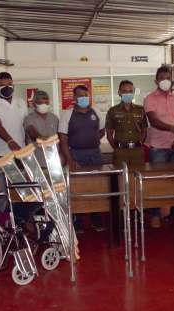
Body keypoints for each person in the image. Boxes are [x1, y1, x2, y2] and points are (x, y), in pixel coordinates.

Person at [144, 65, 174, 228]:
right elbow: (154, 121)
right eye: (162, 78)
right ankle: (155, 215)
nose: (165, 81)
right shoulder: (150, 99)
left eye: (168, 78)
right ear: (156, 80)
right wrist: (173, 129)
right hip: (158, 147)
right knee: (157, 182)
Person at [59, 85, 105, 232]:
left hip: (95, 154)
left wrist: (93, 139)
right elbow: (63, 140)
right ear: (74, 98)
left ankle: (97, 220)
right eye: (81, 95)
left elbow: (102, 130)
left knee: (97, 186)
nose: (84, 98)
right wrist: (70, 160)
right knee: (77, 189)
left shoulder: (96, 111)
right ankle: (77, 222)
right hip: (76, 154)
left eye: (86, 95)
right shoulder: (67, 114)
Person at [106, 80, 147, 166]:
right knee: (121, 177)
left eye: (130, 91)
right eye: (124, 91)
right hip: (120, 152)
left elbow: (144, 130)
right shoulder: (113, 111)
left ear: (133, 92)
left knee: (137, 176)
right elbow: (109, 134)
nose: (128, 94)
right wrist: (117, 148)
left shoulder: (140, 110)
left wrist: (140, 143)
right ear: (119, 93)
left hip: (137, 152)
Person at [0, 72, 28, 157]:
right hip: (2, 153)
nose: (6, 87)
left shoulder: (21, 102)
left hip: (21, 150)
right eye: (2, 84)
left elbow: (26, 124)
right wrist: (10, 141)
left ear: (13, 85)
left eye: (9, 84)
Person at [24, 90, 59, 166]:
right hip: (37, 160)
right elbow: (32, 133)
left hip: (54, 159)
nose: (44, 105)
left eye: (46, 103)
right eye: (40, 103)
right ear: (34, 104)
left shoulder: (54, 118)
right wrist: (45, 139)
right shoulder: (29, 118)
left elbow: (59, 136)